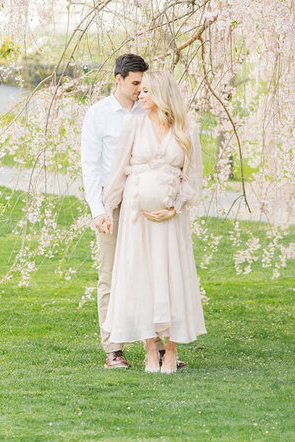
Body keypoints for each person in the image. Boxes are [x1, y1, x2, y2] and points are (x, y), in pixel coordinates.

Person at [102, 69, 206, 373]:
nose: (140, 95)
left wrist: (174, 207)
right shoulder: (134, 124)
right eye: (139, 89)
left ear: (161, 93)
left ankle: (171, 349)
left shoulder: (186, 128)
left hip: (170, 219)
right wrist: (107, 209)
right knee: (141, 276)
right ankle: (150, 348)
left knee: (171, 276)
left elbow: (193, 175)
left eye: (146, 91)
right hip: (138, 219)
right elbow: (119, 169)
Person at [80, 52, 152, 369]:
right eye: (135, 83)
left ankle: (159, 348)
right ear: (118, 80)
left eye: (143, 83)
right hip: (113, 205)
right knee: (110, 276)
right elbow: (90, 166)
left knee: (151, 274)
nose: (139, 89)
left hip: (146, 202)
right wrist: (98, 210)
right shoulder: (98, 115)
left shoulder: (148, 110)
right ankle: (113, 349)